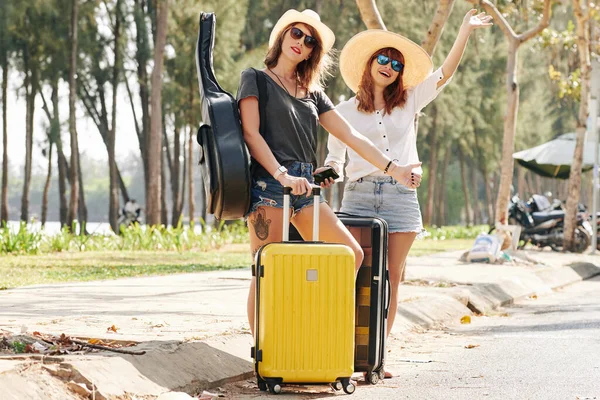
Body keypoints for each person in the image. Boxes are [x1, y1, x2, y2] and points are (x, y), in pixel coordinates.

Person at [323, 9, 493, 377]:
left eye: (396, 64)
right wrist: (328, 174)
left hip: (401, 199)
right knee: (354, 273)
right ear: (369, 64)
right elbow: (335, 160)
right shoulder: (343, 111)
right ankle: (345, 349)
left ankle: (377, 357)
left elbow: (445, 73)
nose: (389, 67)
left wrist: (463, 29)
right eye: (383, 59)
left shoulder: (410, 101)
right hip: (359, 197)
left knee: (390, 276)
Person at [237, 9, 422, 336]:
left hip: (305, 187)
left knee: (350, 255)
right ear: (282, 35)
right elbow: (251, 134)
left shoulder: (313, 93)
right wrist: (281, 175)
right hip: (269, 185)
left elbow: (352, 136)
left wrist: (394, 169)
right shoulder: (255, 78)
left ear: (312, 52)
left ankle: (321, 337)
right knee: (266, 269)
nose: (301, 43)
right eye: (296, 33)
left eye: (310, 41)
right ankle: (263, 357)